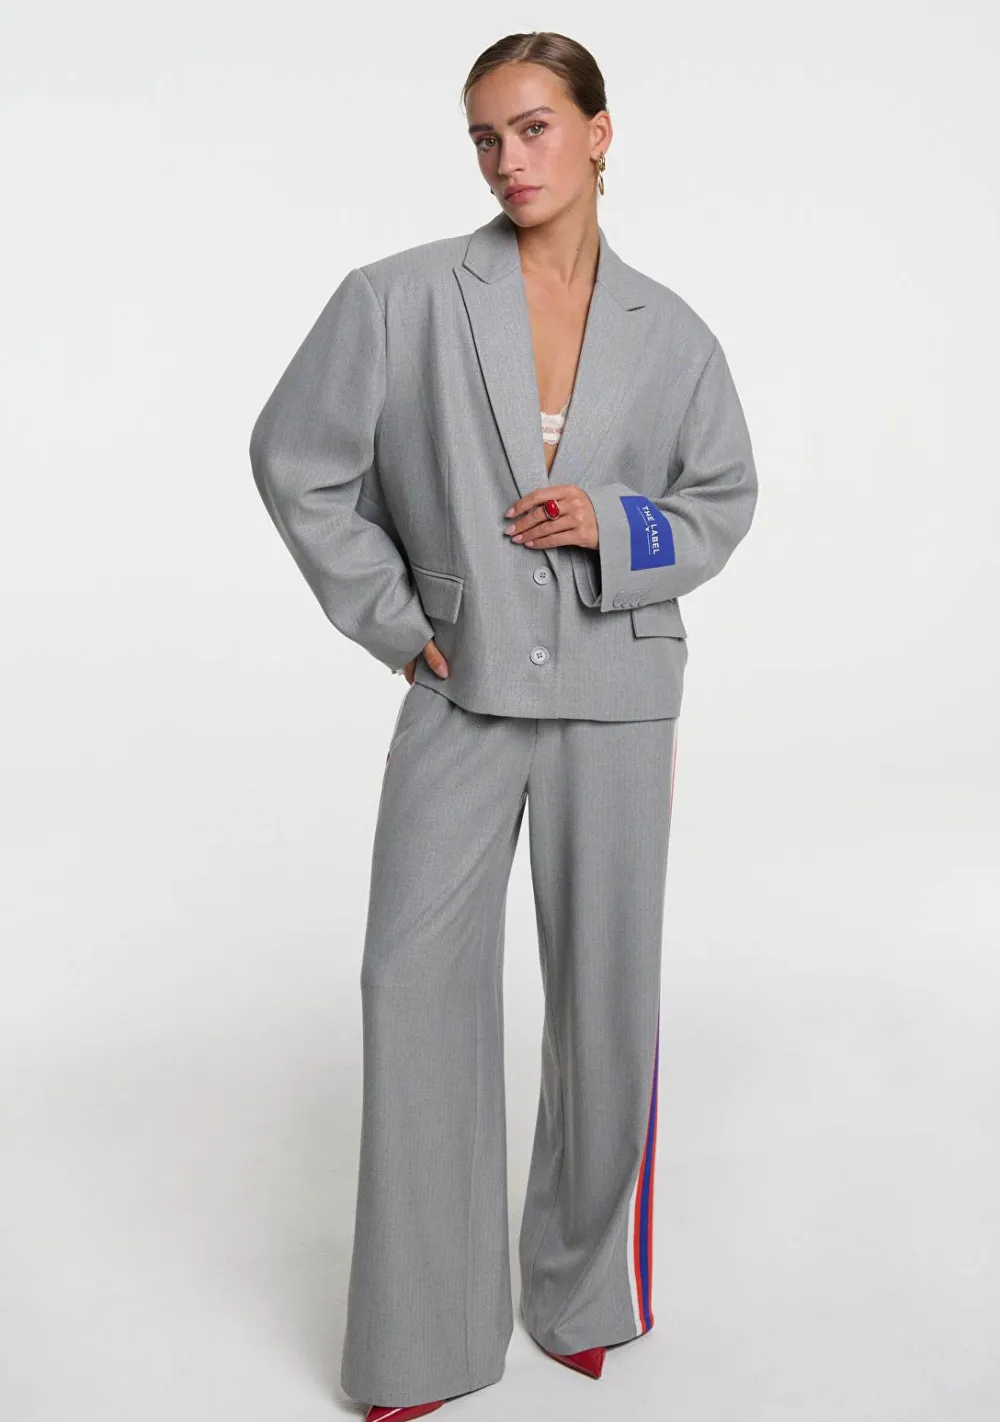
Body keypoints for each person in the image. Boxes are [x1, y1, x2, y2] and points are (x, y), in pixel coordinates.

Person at [249, 30, 757, 1422]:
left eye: (533, 127)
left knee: (606, 996)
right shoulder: (399, 298)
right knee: (410, 984)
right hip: (460, 687)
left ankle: (584, 1292)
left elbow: (722, 500)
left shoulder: (674, 333)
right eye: (485, 136)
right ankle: (422, 1335)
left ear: (599, 132)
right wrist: (393, 615)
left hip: (618, 692)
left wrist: (616, 521)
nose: (507, 159)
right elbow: (296, 460)